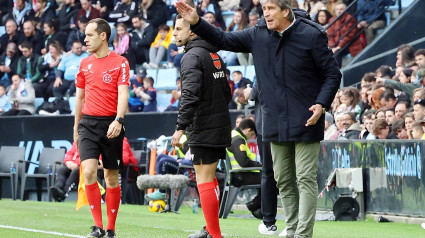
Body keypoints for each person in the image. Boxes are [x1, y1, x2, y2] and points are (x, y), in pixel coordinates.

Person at [175, 1, 341, 237]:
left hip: (306, 117)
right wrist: (197, 21)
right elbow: (223, 39)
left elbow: (332, 73)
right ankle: (291, 228)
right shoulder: (258, 34)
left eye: (271, 8)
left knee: (304, 178)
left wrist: (322, 104)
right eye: (264, 9)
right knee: (283, 179)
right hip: (273, 119)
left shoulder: (311, 35)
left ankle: (303, 234)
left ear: (286, 11)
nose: (266, 14)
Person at [171, 14, 232, 238]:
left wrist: (180, 127)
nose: (174, 33)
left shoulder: (191, 56)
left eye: (178, 29)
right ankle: (210, 229)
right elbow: (227, 93)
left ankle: (215, 235)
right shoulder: (214, 53)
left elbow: (189, 95)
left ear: (193, 31)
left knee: (204, 179)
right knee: (211, 177)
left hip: (204, 126)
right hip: (219, 123)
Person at [74, 18, 129, 238]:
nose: (85, 39)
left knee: (111, 178)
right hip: (88, 123)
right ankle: (97, 226)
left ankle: (110, 229)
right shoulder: (84, 63)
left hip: (111, 125)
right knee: (88, 172)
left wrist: (119, 120)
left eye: (89, 35)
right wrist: (76, 127)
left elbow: (124, 93)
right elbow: (79, 98)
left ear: (103, 36)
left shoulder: (120, 62)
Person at [226, 119, 263, 218]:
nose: (251, 137)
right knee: (272, 180)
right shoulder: (238, 139)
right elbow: (244, 162)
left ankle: (258, 207)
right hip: (240, 176)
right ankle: (254, 205)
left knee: (267, 178)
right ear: (248, 130)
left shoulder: (233, 136)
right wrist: (260, 165)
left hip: (238, 174)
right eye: (251, 135)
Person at [327, 2, 364, 67]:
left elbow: (348, 36)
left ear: (345, 10)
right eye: (337, 9)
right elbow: (330, 36)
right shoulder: (332, 20)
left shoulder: (351, 19)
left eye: (341, 9)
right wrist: (333, 47)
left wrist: (338, 47)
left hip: (349, 45)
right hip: (336, 46)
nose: (339, 11)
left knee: (336, 53)